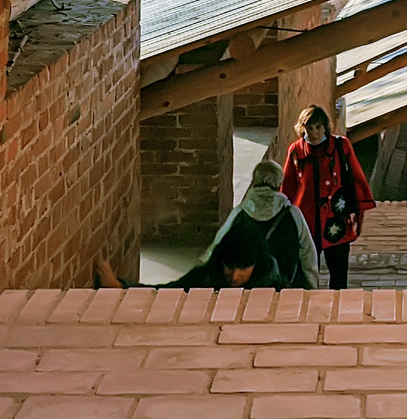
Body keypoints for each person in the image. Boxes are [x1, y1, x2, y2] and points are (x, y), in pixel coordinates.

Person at [280, 105, 374, 291]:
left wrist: (360, 208)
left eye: (318, 127)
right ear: (303, 128)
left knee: (339, 275)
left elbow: (356, 176)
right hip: (306, 220)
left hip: (336, 219)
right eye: (310, 128)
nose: (314, 133)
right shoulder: (296, 150)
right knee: (304, 275)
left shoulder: (340, 146)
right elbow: (288, 186)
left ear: (325, 127)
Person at [206, 159, 320, 289]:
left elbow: (216, 248)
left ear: (254, 182)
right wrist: (312, 286)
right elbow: (308, 253)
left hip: (249, 286)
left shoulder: (240, 213)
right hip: (284, 285)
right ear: (279, 184)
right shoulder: (292, 214)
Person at [95, 218, 285, 290]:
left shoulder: (272, 288)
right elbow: (164, 295)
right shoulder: (204, 278)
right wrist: (121, 286)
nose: (234, 276)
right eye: (229, 266)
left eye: (243, 267)